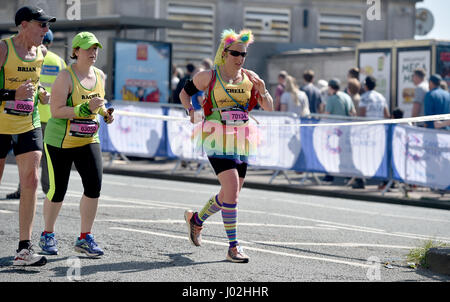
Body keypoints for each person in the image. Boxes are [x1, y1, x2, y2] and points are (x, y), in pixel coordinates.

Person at [179, 28, 273, 263]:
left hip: (242, 136)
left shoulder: (250, 77)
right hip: (216, 135)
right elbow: (184, 93)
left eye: (243, 55)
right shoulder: (209, 76)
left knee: (232, 194)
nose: (240, 59)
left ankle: (196, 220)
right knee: (231, 188)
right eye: (235, 54)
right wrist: (191, 110)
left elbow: (269, 106)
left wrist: (263, 90)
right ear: (224, 53)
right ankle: (233, 247)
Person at [39, 32, 114, 257]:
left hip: (88, 138)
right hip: (60, 140)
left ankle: (84, 237)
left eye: (96, 48)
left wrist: (106, 113)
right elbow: (56, 110)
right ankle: (47, 234)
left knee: (94, 187)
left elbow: (98, 104)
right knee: (57, 190)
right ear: (76, 51)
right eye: (88, 48)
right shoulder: (65, 76)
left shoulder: (100, 75)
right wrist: (84, 109)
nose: (93, 53)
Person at [0, 5, 55, 266]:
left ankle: (24, 248)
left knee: (32, 180)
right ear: (23, 24)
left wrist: (41, 92)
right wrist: (12, 95)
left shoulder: (41, 52)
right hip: (0, 123)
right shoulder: (3, 49)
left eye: (47, 25)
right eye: (41, 24)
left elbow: (33, 82)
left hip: (27, 121)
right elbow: (15, 90)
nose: (46, 30)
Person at [6, 29, 67, 200]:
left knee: (25, 157)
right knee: (48, 157)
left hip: (28, 114)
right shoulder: (59, 61)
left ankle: (22, 189)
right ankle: (49, 191)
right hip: (52, 115)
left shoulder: (29, 56)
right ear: (51, 42)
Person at [353, 76, 390, 189]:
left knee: (363, 155)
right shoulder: (381, 97)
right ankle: (385, 180)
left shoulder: (364, 97)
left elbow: (362, 114)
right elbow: (387, 115)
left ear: (366, 85)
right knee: (379, 155)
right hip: (379, 130)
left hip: (367, 130)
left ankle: (360, 180)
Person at [322, 78, 355, 182]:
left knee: (331, 153)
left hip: (335, 131)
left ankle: (330, 174)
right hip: (347, 129)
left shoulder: (331, 99)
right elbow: (353, 112)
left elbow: (326, 116)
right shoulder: (346, 97)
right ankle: (348, 174)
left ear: (330, 87)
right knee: (346, 152)